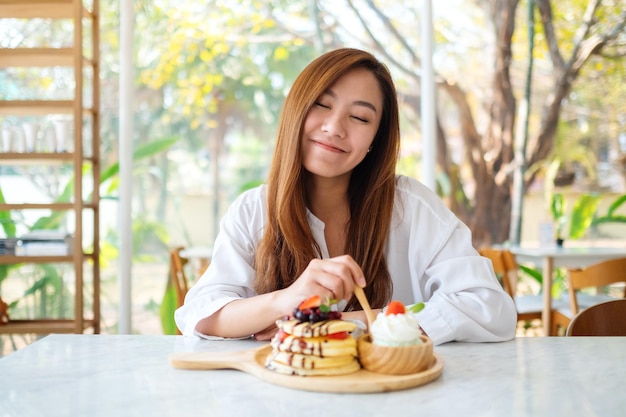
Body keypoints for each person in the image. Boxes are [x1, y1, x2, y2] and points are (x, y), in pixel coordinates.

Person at [175, 48, 517, 345]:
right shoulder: (253, 210)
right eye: (322, 105)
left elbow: (490, 307)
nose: (335, 127)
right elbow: (203, 315)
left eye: (359, 117)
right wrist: (289, 301)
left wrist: (350, 322)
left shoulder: (410, 206)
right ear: (296, 111)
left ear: (375, 140)